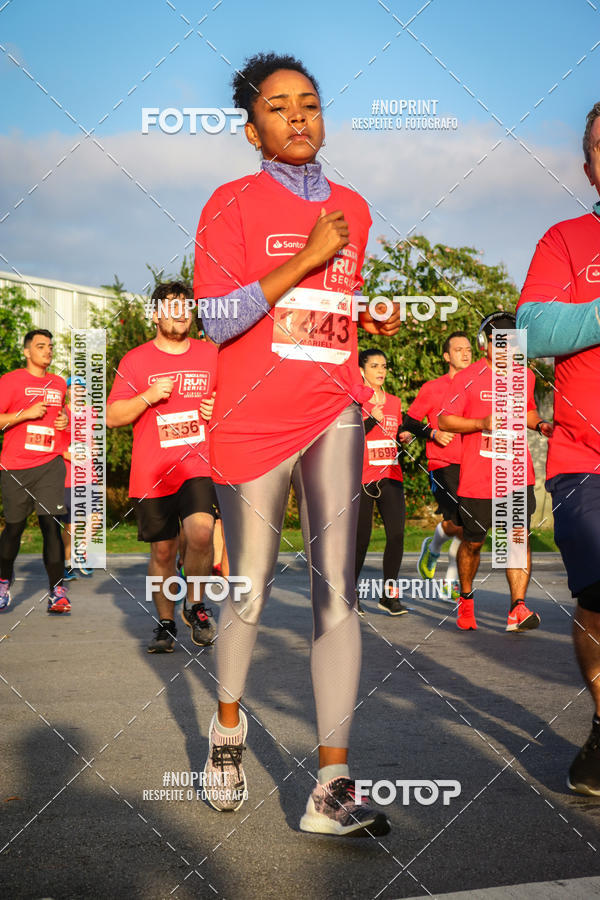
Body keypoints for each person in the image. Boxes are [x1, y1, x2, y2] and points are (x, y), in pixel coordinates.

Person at [194, 52, 399, 836]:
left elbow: (323, 312)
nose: (298, 117)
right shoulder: (231, 202)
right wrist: (308, 257)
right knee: (249, 582)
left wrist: (361, 315)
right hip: (250, 418)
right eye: (278, 107)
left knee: (335, 589)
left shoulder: (354, 205)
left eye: (309, 103)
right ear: (252, 129)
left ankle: (332, 785)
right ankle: (227, 729)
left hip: (331, 408)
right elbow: (217, 317)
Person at [516, 101, 600, 794]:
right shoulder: (565, 241)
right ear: (588, 166)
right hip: (585, 456)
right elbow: (534, 332)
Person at [107, 281, 218, 652]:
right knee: (163, 552)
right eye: (171, 308)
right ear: (156, 315)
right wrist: (148, 396)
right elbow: (112, 416)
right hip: (153, 472)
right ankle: (166, 623)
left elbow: (237, 403)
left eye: (185, 308)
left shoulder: (212, 355)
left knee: (202, 533)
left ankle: (197, 606)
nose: (180, 314)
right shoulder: (136, 361)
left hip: (198, 464)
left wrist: (218, 409)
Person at [438, 312, 549, 632]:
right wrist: (480, 424)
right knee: (473, 543)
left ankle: (517, 608)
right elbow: (445, 420)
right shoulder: (466, 378)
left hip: (517, 471)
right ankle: (467, 598)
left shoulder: (525, 376)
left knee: (516, 539)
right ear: (484, 343)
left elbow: (527, 410)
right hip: (478, 477)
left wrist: (540, 424)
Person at [0, 329, 70, 613]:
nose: (48, 351)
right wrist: (24, 414)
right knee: (14, 529)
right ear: (27, 352)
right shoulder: (10, 381)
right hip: (15, 466)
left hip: (49, 465)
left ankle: (57, 592)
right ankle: (3, 582)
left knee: (51, 526)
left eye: (51, 346)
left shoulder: (58, 383)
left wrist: (64, 419)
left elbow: (59, 417)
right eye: (41, 346)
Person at [405, 332, 472, 602]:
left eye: (468, 349)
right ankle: (438, 557)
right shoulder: (432, 388)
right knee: (459, 523)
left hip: (473, 463)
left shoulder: (479, 386)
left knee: (467, 524)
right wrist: (431, 434)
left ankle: (446, 575)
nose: (466, 354)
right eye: (458, 350)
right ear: (447, 356)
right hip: (443, 463)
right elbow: (409, 421)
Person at [355, 348, 410, 616]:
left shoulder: (395, 402)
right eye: (374, 365)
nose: (380, 371)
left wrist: (403, 435)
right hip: (362, 478)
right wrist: (369, 420)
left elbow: (394, 430)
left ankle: (389, 596)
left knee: (397, 535)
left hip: (391, 475)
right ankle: (349, 594)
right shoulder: (353, 401)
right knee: (361, 539)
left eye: (384, 366)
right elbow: (348, 439)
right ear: (361, 370)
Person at [60, 376, 94, 581]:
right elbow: (55, 443)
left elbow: (93, 438)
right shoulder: (61, 412)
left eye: (82, 388)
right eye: (73, 388)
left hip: (89, 472)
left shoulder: (92, 413)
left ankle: (81, 551)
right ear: (67, 391)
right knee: (70, 523)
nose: (78, 392)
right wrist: (68, 455)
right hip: (67, 475)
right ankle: (68, 564)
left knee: (95, 517)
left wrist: (96, 448)